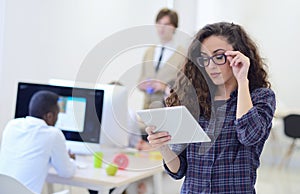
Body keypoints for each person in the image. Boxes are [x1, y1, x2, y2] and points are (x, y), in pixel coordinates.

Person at [145, 22, 276, 193]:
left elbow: (249, 135)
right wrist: (163, 147)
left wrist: (242, 80)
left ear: (238, 55)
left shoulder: (260, 97)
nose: (211, 65)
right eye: (204, 58)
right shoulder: (192, 99)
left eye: (219, 56)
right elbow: (179, 170)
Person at [0, 90, 76, 194]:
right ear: (49, 116)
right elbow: (66, 172)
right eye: (57, 115)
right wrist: (70, 160)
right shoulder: (53, 134)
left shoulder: (11, 125)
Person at [138, 8, 186, 109]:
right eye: (159, 23)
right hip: (147, 108)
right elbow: (141, 78)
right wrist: (142, 85)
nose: (161, 28)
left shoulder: (182, 55)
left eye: (166, 24)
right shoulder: (149, 51)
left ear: (174, 27)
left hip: (167, 108)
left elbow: (185, 87)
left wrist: (164, 87)